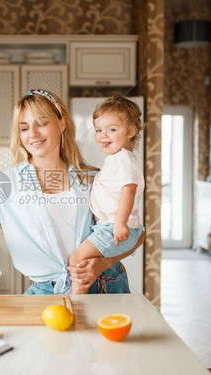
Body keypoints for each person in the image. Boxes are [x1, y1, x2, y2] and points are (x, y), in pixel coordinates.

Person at [0, 89, 129, 294]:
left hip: (106, 283)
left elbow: (136, 233)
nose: (32, 134)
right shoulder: (4, 183)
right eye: (24, 128)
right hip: (47, 291)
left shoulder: (93, 179)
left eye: (41, 124)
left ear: (62, 123)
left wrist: (103, 263)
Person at [69, 95, 146, 294]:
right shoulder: (114, 160)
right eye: (98, 130)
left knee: (77, 260)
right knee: (83, 261)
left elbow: (128, 190)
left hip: (113, 227)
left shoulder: (123, 160)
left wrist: (120, 223)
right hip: (108, 226)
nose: (103, 135)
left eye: (112, 129)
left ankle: (77, 304)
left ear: (131, 131)